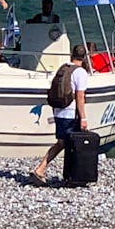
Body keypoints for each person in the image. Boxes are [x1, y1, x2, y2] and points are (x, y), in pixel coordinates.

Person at [30, 45, 89, 184]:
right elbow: (80, 96)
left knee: (64, 143)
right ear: (84, 57)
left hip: (58, 110)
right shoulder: (80, 72)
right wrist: (84, 118)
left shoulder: (64, 68)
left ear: (71, 55)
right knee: (66, 144)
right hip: (70, 113)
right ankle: (44, 169)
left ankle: (64, 173)